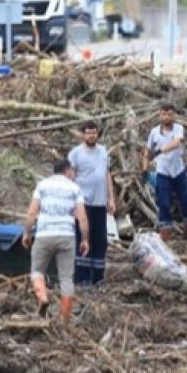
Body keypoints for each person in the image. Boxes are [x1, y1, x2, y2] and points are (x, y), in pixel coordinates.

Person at [22, 160, 89, 323]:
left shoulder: (42, 186)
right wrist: (85, 239)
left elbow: (32, 212)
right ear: (67, 171)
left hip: (45, 234)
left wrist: (26, 233)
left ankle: (43, 297)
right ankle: (64, 321)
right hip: (66, 236)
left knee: (37, 271)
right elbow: (82, 217)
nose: (73, 174)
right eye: (72, 171)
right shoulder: (75, 188)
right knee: (66, 278)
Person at [69, 121, 115, 288]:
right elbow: (71, 178)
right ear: (83, 134)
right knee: (82, 238)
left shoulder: (103, 152)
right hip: (83, 203)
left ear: (98, 134)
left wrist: (111, 198)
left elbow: (107, 175)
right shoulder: (75, 154)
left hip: (100, 202)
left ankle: (97, 276)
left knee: (100, 239)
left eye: (94, 133)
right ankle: (82, 278)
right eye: (88, 133)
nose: (91, 136)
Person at [143, 103, 187, 241]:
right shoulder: (154, 132)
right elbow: (148, 151)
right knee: (164, 203)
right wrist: (145, 168)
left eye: (170, 114)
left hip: (178, 171)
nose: (167, 117)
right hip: (163, 172)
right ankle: (166, 233)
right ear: (160, 115)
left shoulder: (178, 128)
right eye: (164, 114)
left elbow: (176, 143)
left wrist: (159, 151)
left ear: (174, 115)